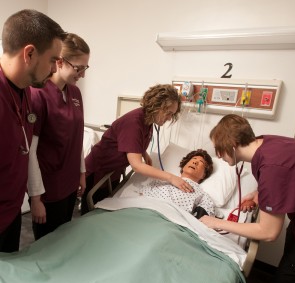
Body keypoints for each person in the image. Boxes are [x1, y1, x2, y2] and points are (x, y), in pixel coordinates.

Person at [200, 113, 295, 283]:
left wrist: (216, 223)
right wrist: (258, 194)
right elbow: (289, 173)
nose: (218, 156)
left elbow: (269, 232)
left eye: (219, 149)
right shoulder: (266, 143)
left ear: (232, 145)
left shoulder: (271, 166)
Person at [0, 9, 66, 252]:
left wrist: (33, 197)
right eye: (52, 60)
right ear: (29, 53)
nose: (54, 69)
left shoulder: (25, 91)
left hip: (11, 215)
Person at [81, 84, 194, 215]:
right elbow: (137, 166)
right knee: (91, 215)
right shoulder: (134, 122)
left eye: (172, 115)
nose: (169, 118)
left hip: (112, 172)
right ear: (157, 106)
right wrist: (171, 178)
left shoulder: (148, 120)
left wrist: (143, 153)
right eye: (168, 113)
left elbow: (133, 142)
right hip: (97, 171)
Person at [27, 33, 90, 240]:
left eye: (85, 68)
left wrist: (81, 172)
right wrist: (36, 199)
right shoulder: (37, 95)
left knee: (64, 240)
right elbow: (31, 152)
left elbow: (77, 137)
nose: (82, 74)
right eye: (78, 68)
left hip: (70, 184)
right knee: (46, 246)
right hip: (49, 188)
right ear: (60, 62)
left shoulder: (75, 93)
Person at [141, 149, 215, 218]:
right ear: (184, 166)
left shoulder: (203, 196)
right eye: (193, 159)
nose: (195, 162)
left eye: (201, 162)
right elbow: (141, 198)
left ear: (204, 174)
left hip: (170, 220)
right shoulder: (161, 180)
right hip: (145, 211)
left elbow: (203, 221)